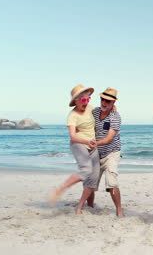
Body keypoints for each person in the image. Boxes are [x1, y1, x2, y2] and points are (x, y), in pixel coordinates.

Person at [49, 84, 100, 215]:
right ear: (76, 100)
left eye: (88, 99)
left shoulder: (92, 109)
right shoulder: (72, 115)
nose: (86, 102)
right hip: (78, 144)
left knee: (93, 178)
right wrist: (86, 141)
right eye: (83, 99)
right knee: (86, 169)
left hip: (92, 145)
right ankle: (60, 189)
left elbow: (103, 115)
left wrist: (112, 109)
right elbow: (72, 136)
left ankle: (88, 206)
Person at [86, 87, 123, 217]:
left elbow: (108, 139)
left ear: (113, 103)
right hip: (96, 153)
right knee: (91, 182)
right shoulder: (94, 112)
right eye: (102, 99)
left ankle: (119, 211)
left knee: (111, 181)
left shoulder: (115, 117)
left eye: (108, 101)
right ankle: (89, 207)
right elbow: (82, 114)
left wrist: (95, 143)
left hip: (111, 152)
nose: (104, 103)